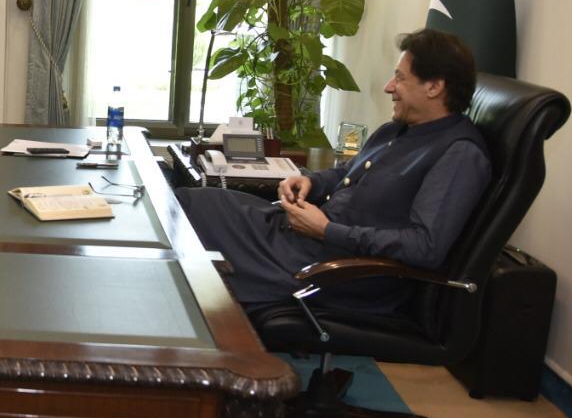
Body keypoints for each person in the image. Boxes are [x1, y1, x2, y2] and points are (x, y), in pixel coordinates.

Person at [176, 28, 491, 314]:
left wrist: (327, 230)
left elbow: (424, 248)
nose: (389, 87)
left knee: (195, 235)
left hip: (339, 270)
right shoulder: (396, 131)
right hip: (301, 239)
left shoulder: (458, 154)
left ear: (435, 87)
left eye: (400, 78)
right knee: (190, 203)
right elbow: (346, 174)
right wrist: (308, 180)